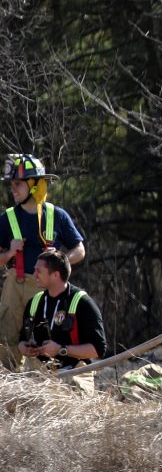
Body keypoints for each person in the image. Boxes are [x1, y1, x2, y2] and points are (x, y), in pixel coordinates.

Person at [0, 154, 86, 371]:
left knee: (43, 343)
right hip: (15, 287)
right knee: (6, 342)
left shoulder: (57, 215)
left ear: (34, 184)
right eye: (12, 184)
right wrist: (10, 253)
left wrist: (62, 258)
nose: (13, 189)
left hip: (47, 292)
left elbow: (80, 250)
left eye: (18, 183)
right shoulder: (6, 219)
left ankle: (42, 390)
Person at [18, 249, 105, 393]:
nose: (34, 275)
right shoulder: (34, 302)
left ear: (55, 274)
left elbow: (98, 349)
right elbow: (21, 340)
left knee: (72, 396)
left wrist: (61, 350)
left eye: (38, 271)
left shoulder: (83, 303)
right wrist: (25, 348)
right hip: (40, 373)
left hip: (76, 372)